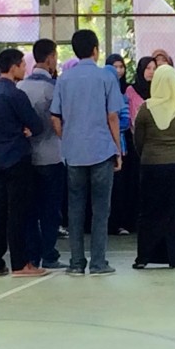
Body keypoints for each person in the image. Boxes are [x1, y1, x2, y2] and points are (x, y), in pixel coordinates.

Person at [50, 30, 124, 277]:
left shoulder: (64, 79)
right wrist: (117, 148)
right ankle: (99, 262)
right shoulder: (106, 77)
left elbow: (55, 117)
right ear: (96, 49)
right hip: (102, 149)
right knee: (101, 209)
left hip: (73, 152)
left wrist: (67, 137)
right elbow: (113, 115)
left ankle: (76, 262)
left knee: (75, 208)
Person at [0, 48, 47, 278]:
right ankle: (20, 263)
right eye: (22, 64)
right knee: (17, 213)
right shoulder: (15, 95)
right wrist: (27, 131)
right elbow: (36, 124)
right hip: (17, 158)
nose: (24, 68)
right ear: (13, 67)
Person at [133, 65, 175, 269]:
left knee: (149, 211)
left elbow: (138, 140)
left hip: (151, 164)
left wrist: (147, 154)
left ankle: (144, 257)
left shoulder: (146, 108)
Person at [18, 39, 67, 270]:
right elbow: (60, 121)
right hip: (51, 155)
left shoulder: (20, 88)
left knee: (29, 209)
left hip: (26, 157)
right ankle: (49, 253)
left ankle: (31, 254)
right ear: (50, 58)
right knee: (50, 209)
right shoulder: (54, 89)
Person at [107, 60, 136, 235]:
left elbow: (125, 122)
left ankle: (118, 222)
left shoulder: (122, 96)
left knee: (118, 187)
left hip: (120, 147)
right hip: (102, 148)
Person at [125, 56, 156, 127]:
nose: (151, 72)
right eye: (148, 68)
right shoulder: (131, 90)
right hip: (135, 133)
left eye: (154, 69)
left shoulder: (157, 90)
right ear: (141, 69)